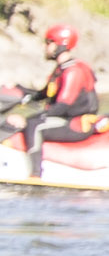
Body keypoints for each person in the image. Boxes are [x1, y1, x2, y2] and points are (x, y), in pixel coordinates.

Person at [19, 23, 101, 176]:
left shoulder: (73, 71)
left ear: (61, 45)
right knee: (32, 121)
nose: (46, 47)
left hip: (77, 124)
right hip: (65, 120)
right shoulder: (60, 70)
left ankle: (35, 174)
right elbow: (43, 94)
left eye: (49, 43)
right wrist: (19, 92)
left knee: (34, 125)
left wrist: (35, 116)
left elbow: (63, 105)